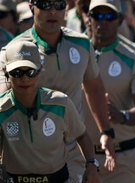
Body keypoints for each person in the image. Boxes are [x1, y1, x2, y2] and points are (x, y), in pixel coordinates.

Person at [0, 0, 115, 182]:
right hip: (28, 158)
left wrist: (106, 132)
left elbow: (95, 88)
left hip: (73, 149)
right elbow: (3, 96)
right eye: (45, 5)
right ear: (32, 8)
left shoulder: (82, 44)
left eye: (59, 5)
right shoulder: (13, 51)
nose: (52, 12)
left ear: (66, 8)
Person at [0, 41, 99, 183]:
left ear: (40, 70)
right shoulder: (2, 109)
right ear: (6, 73)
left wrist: (91, 165)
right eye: (17, 73)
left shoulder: (60, 103)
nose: (25, 78)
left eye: (31, 72)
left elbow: (82, 136)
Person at [84, 0, 135, 182]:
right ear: (88, 19)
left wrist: (123, 116)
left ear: (120, 19)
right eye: (98, 15)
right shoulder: (75, 53)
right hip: (81, 156)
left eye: (109, 16)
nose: (103, 21)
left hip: (123, 158)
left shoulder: (134, 57)